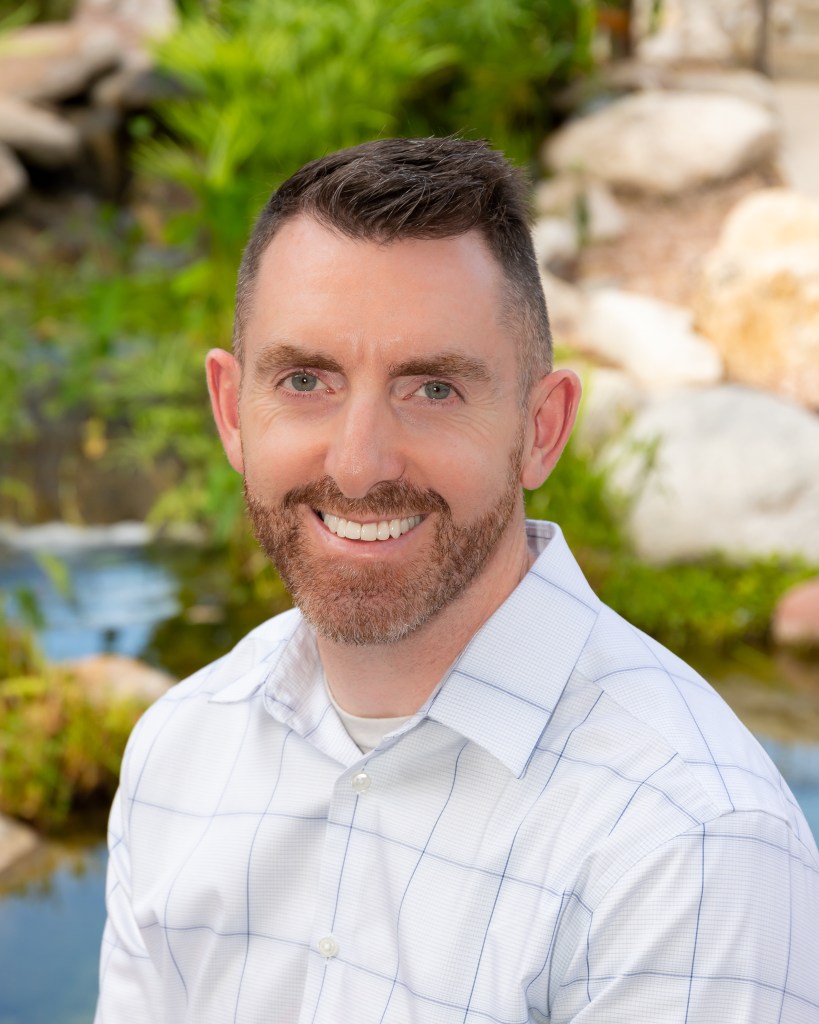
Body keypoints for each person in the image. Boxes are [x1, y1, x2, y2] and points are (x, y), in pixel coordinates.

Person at [95, 137, 819, 1024]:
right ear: (231, 411)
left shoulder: (686, 842)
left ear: (541, 428)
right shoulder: (180, 749)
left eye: (431, 389)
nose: (358, 466)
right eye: (305, 380)